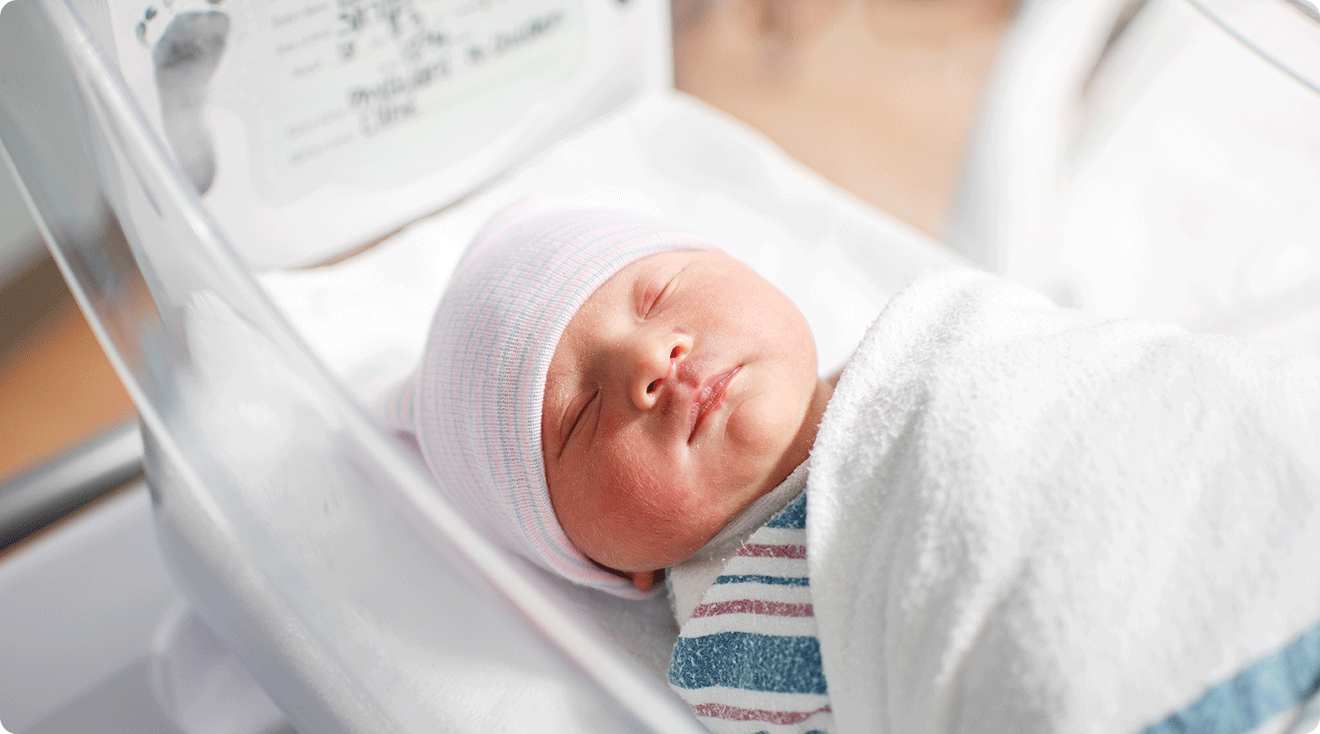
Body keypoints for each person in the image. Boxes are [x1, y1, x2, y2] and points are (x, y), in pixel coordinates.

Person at [384, 203, 1320, 734]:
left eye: (656, 293)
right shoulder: (729, 644)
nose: (649, 362)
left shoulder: (947, 332)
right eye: (579, 416)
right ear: (614, 566)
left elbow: (1144, 390)